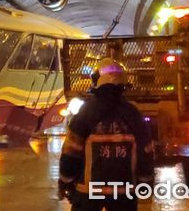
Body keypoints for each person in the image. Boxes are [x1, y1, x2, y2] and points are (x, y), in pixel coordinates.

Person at [58, 58, 154, 211]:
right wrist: (145, 182)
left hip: (88, 194)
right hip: (124, 194)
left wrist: (66, 181)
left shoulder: (85, 113)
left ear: (97, 80)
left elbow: (71, 151)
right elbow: (146, 151)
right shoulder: (132, 113)